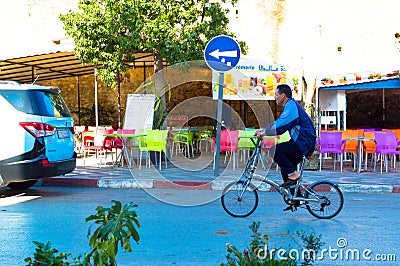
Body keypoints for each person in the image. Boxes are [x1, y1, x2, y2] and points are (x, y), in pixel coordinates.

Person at [256, 84, 316, 189]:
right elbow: (281, 125)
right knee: (285, 169)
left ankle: (294, 174)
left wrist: (265, 133)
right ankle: (295, 201)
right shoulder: (290, 106)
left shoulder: (291, 106)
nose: (275, 97)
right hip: (301, 141)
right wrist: (265, 131)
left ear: (283, 95)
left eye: (276, 94)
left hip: (303, 142)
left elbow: (282, 124)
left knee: (275, 150)